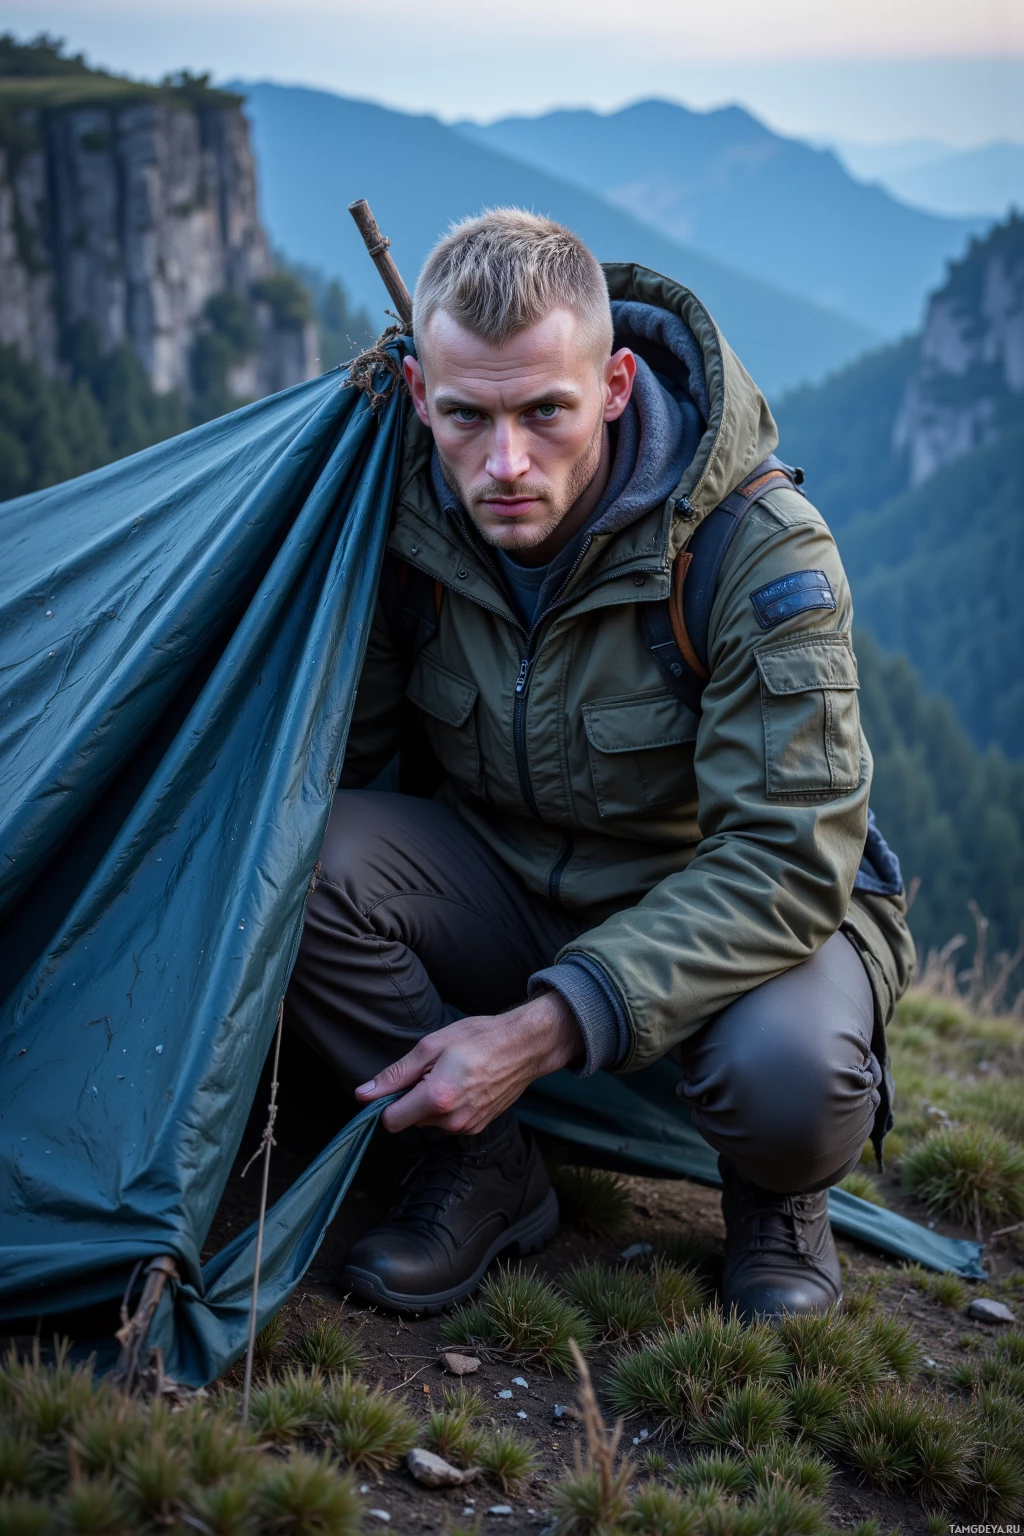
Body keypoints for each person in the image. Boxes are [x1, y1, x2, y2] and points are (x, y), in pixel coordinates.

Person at [285, 209, 914, 1320]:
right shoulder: (402, 526)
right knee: (299, 859)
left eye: (546, 413)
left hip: (734, 912)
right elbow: (350, 757)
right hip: (501, 879)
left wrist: (541, 1029)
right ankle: (480, 1167)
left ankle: (776, 1199)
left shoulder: (753, 546)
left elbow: (784, 859)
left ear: (615, 387)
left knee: (790, 1081)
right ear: (423, 398)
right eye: (467, 418)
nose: (505, 463)